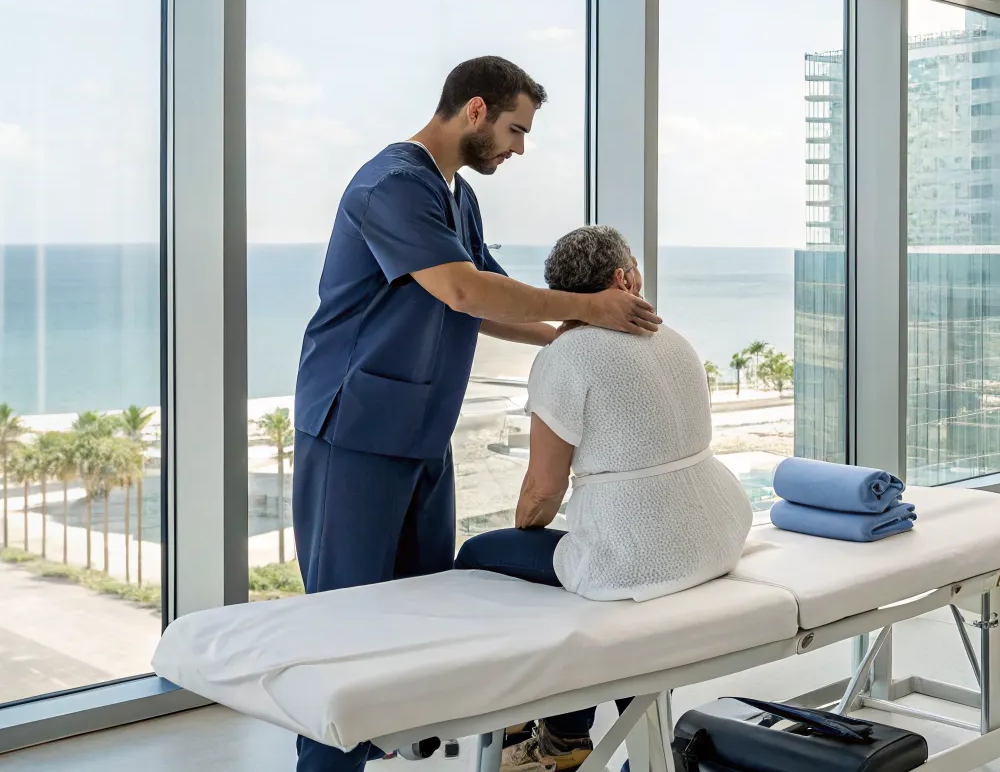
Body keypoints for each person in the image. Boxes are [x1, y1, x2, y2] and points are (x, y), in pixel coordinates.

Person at [290, 57, 662, 772]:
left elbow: (492, 293)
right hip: (354, 431)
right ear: (477, 111)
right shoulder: (391, 186)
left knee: (432, 609)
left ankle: (401, 733)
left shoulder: (455, 195)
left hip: (421, 433)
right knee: (340, 628)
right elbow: (462, 292)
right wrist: (589, 307)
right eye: (517, 131)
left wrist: (572, 338)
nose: (519, 149)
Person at [455, 225, 751, 772]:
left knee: (480, 557)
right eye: (635, 264)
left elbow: (543, 490)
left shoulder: (566, 358)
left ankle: (551, 732)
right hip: (719, 532)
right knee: (577, 582)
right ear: (621, 279)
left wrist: (528, 528)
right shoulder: (674, 339)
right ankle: (587, 737)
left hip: (640, 554)